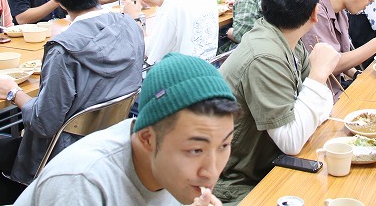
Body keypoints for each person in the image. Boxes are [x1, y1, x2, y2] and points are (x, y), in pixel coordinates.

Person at [0, 0, 145, 204]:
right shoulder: (131, 26)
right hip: (113, 142)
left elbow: (43, 123)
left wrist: (12, 91)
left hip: (64, 154)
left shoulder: (63, 50)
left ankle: (37, 199)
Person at [14, 53, 239, 206]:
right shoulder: (82, 183)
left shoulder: (179, 175)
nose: (212, 171)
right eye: (196, 150)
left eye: (224, 145)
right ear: (147, 139)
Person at [216, 0, 340, 204]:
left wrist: (309, 107)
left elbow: (325, 107)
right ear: (315, 13)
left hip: (272, 165)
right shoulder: (265, 56)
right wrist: (318, 76)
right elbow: (291, 141)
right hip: (238, 184)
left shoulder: (286, 39)